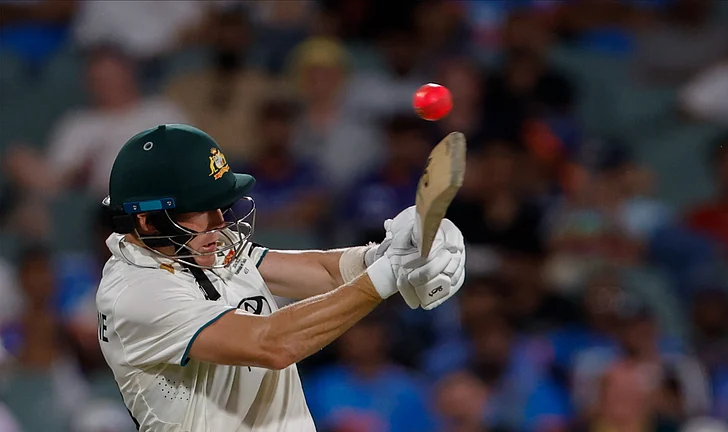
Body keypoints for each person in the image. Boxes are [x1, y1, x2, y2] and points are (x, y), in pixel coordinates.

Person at [96, 124, 466, 431]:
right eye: (201, 211)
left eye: (220, 206)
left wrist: (384, 253)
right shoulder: (136, 293)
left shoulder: (199, 244)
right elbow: (271, 344)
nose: (221, 223)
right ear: (145, 220)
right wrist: (386, 276)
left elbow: (322, 271)